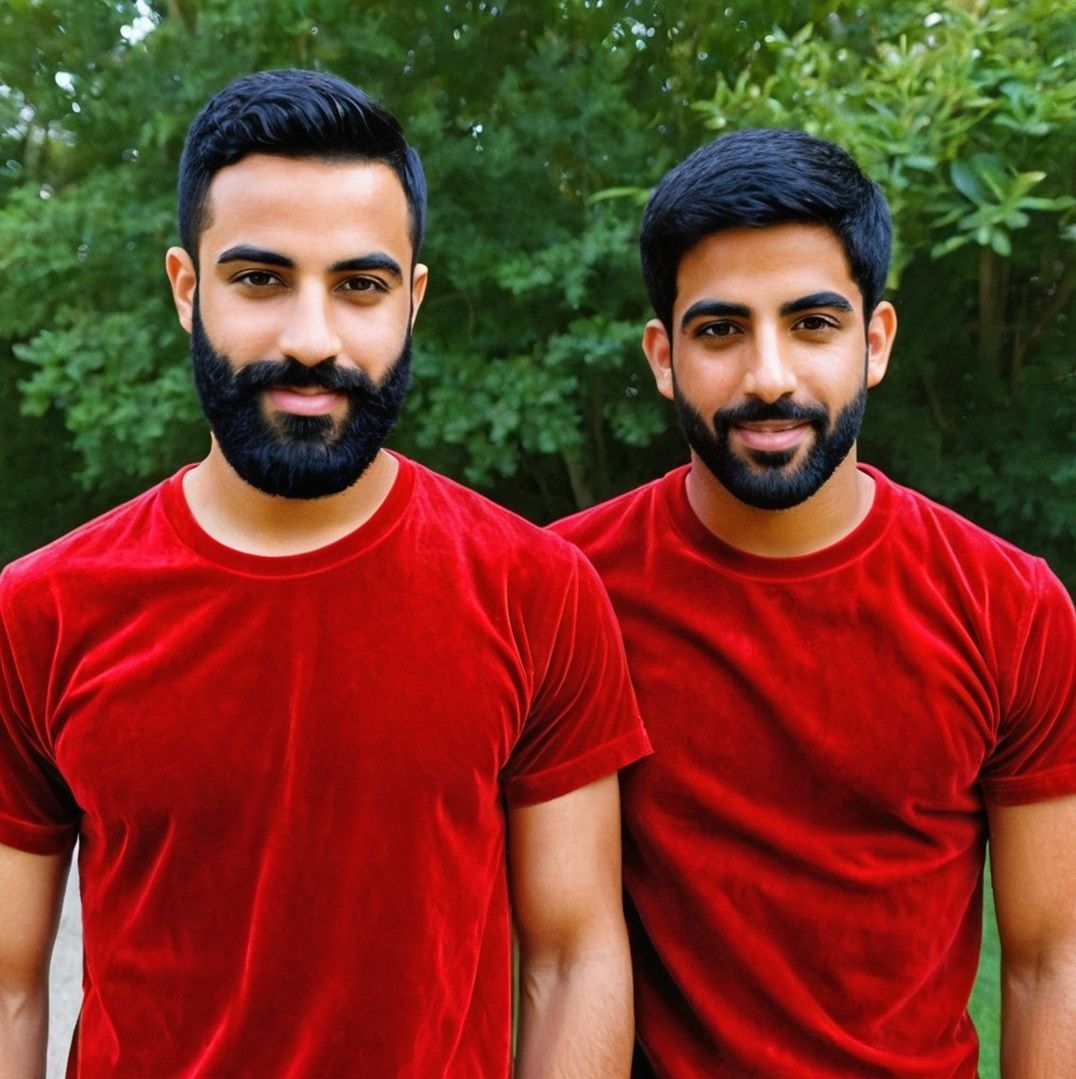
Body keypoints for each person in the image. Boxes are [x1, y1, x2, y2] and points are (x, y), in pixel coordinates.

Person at [0, 69, 651, 1077]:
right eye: (259, 280)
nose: (311, 338)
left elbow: (571, 957)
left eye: (359, 285)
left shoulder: (539, 592)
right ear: (187, 287)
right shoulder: (37, 612)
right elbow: (8, 979)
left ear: (412, 298)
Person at [551, 128, 1076, 1076]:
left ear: (874, 341)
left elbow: (1047, 960)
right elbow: (542, 951)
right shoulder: (563, 591)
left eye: (813, 323)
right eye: (720, 331)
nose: (769, 376)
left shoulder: (1010, 605)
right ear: (663, 355)